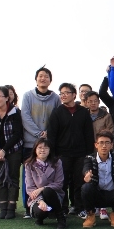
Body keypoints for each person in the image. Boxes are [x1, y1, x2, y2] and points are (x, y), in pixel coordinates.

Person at [48, 83, 95, 216]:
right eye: (61, 93)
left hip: (81, 154)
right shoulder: (57, 112)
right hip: (62, 154)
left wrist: (88, 154)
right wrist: (53, 154)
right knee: (62, 182)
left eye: (66, 93)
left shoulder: (83, 112)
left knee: (79, 181)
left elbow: (88, 134)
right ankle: (63, 208)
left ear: (74, 95)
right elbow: (52, 135)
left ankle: (79, 207)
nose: (63, 95)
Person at [20, 66, 60, 218]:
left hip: (48, 144)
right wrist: (39, 134)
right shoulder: (28, 96)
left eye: (46, 76)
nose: (43, 78)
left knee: (51, 175)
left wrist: (48, 133)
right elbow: (25, 117)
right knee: (29, 177)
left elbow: (57, 117)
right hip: (30, 143)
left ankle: (52, 206)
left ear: (50, 80)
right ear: (36, 79)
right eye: (40, 76)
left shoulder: (55, 98)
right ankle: (29, 207)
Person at [0, 86, 24, 219]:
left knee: (12, 178)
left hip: (13, 150)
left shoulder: (15, 112)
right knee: (0, 179)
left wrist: (4, 150)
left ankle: (11, 208)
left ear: (7, 98)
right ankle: (3, 208)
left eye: (0, 96)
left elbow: (17, 134)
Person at [80, 131, 114, 229]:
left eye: (107, 143)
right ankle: (90, 215)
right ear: (96, 145)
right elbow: (86, 167)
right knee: (86, 188)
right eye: (101, 143)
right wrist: (87, 174)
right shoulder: (90, 158)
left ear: (112, 145)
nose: (104, 146)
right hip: (97, 194)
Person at [25, 138, 66, 229]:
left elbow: (59, 183)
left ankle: (61, 218)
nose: (42, 150)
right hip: (36, 197)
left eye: (46, 148)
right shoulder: (29, 164)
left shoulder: (57, 162)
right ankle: (40, 218)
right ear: (35, 149)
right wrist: (40, 200)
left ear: (50, 150)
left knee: (48, 191)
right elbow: (30, 188)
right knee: (40, 211)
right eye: (40, 147)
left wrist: (42, 188)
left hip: (54, 195)